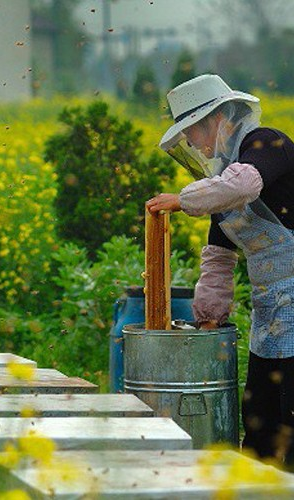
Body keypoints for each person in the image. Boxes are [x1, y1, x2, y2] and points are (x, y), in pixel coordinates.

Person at [147, 74, 294, 467]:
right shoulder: (224, 183)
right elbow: (217, 259)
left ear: (217, 119)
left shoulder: (267, 144)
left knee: (289, 415)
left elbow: (243, 184)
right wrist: (208, 319)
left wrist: (182, 199)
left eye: (192, 132)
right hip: (271, 311)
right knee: (260, 417)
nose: (193, 143)